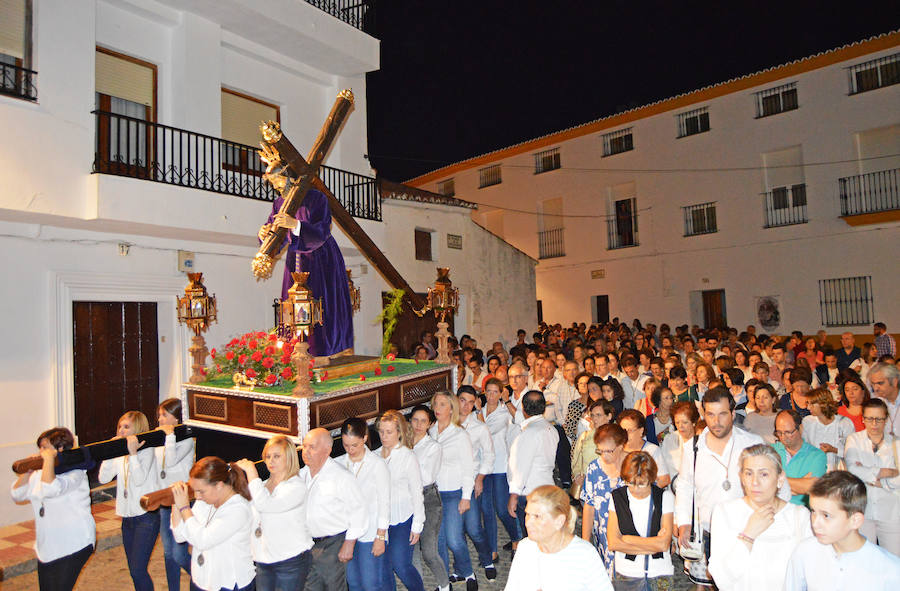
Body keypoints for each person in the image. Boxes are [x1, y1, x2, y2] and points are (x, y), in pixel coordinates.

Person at [675, 388, 790, 565]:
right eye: (711, 415)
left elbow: (780, 484)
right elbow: (685, 486)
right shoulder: (693, 447)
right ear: (703, 415)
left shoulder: (752, 442)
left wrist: (774, 520)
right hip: (707, 530)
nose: (716, 421)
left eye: (722, 414)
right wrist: (683, 522)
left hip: (747, 530)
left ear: (733, 413)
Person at [260, 186, 353, 357]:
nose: (276, 187)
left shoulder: (316, 197)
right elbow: (276, 238)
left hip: (321, 258)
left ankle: (323, 351)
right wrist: (265, 234)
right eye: (273, 184)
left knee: (322, 304)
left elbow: (322, 230)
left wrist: (295, 225)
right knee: (292, 304)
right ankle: (292, 350)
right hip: (295, 258)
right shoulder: (279, 203)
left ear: (289, 178)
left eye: (279, 182)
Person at [708, 444, 811, 591]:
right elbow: (722, 580)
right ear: (742, 478)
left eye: (764, 474)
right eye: (749, 473)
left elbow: (811, 574)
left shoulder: (799, 516)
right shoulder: (725, 512)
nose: (755, 482)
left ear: (780, 479)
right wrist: (749, 535)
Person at [784, 471, 900, 590]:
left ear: (855, 520)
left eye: (826, 515)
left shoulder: (890, 569)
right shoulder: (805, 552)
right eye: (813, 511)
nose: (815, 523)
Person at [10, 428, 95, 591]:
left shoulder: (76, 471)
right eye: (40, 448)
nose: (40, 452)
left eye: (45, 448)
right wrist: (27, 472)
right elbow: (17, 495)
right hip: (48, 546)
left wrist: (48, 461)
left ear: (60, 450)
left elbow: (51, 489)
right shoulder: (40, 473)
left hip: (75, 543)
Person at [235, 436, 311, 591]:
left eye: (277, 456)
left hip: (290, 561)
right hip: (263, 560)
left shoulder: (295, 486)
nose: (271, 461)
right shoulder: (261, 486)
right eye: (268, 457)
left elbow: (265, 505)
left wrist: (251, 472)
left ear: (289, 458)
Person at [505, 485, 613, 591]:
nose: (528, 523)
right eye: (527, 514)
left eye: (537, 516)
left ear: (559, 521)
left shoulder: (584, 554)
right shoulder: (526, 547)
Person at [298, 427, 368, 591]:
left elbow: (359, 510)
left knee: (333, 587)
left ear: (327, 450)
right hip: (307, 544)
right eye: (304, 446)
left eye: (312, 447)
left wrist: (349, 543)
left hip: (332, 544)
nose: (306, 451)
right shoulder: (301, 475)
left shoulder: (341, 476)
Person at [170, 456, 255, 591]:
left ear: (219, 485)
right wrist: (175, 503)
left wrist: (184, 508)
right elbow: (180, 535)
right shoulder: (205, 500)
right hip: (203, 579)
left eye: (201, 491)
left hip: (228, 583)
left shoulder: (238, 509)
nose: (197, 496)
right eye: (195, 490)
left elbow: (203, 540)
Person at [97, 411, 159, 591]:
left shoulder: (147, 450)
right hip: (127, 516)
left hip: (146, 516)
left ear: (138, 429)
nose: (121, 430)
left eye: (126, 427)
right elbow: (103, 478)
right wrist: (110, 452)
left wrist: (132, 454)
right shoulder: (120, 451)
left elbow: (139, 479)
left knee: (138, 570)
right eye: (120, 426)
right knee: (133, 570)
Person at [428, 391, 484, 590]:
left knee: (454, 539)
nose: (437, 409)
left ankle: (468, 573)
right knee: (439, 541)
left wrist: (466, 497)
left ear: (451, 408)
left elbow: (468, 468)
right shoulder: (431, 432)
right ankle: (445, 584)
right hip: (434, 495)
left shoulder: (460, 434)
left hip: (453, 493)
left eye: (443, 404)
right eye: (436, 404)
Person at [337, 418, 392, 591]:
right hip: (348, 531)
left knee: (371, 584)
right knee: (353, 582)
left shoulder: (377, 464)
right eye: (346, 445)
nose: (350, 450)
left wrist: (381, 536)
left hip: (371, 533)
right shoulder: (339, 463)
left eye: (354, 445)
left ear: (365, 438)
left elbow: (385, 502)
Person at [607, 451, 675, 590]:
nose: (635, 489)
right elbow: (613, 543)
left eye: (642, 484)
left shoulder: (665, 497)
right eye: (630, 483)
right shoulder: (617, 497)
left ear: (651, 479)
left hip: (659, 571)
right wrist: (652, 544)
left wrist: (626, 539)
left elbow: (663, 545)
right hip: (627, 572)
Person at [375, 410, 426, 591]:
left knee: (401, 565)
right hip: (381, 521)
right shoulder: (374, 456)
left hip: (402, 518)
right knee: (384, 568)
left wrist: (417, 525)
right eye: (381, 432)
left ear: (399, 432)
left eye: (389, 432)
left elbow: (417, 492)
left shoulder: (407, 456)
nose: (384, 436)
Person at [844, 399, 900, 555]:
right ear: (862, 418)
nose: (874, 424)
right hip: (862, 510)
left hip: (891, 512)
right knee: (863, 559)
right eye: (869, 418)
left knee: (894, 560)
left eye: (879, 419)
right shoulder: (854, 440)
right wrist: (886, 472)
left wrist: (882, 484)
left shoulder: (896, 443)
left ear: (886, 419)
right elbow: (853, 470)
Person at [455, 387, 498, 580]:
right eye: (463, 400)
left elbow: (489, 456)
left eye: (471, 402)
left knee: (473, 527)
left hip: (470, 482)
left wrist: (480, 478)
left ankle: (487, 559)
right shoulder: (445, 424)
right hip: (449, 484)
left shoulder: (479, 428)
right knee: (456, 531)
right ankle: (460, 568)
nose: (466, 406)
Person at [478, 379, 521, 562]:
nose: (491, 395)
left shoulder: (503, 412)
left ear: (501, 393)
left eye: (495, 392)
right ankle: (492, 550)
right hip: (482, 465)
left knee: (502, 509)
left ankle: (516, 538)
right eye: (488, 391)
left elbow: (485, 431)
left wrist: (478, 412)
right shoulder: (477, 412)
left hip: (500, 464)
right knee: (486, 510)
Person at [507, 391, 558, 544]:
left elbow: (521, 467)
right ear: (543, 408)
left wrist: (514, 495)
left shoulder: (529, 433)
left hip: (530, 492)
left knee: (530, 538)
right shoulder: (551, 429)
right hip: (547, 488)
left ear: (523, 409)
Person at [409, 405, 450, 591]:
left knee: (429, 552)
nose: (418, 425)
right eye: (415, 420)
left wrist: (407, 458)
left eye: (423, 421)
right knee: (412, 551)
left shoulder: (433, 447)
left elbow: (426, 477)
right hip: (407, 499)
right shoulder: (402, 443)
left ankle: (444, 585)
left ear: (430, 424)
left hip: (428, 499)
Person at [155, 398, 194, 591]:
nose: (160, 420)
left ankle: (201, 577)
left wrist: (169, 437)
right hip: (165, 499)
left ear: (176, 419)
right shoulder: (161, 439)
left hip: (180, 499)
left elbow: (170, 461)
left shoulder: (185, 440)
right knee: (168, 554)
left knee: (179, 554)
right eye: (159, 415)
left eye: (165, 415)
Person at [580, 423, 627, 576]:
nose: (604, 456)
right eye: (600, 451)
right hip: (603, 534)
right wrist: (586, 540)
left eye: (609, 451)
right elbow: (589, 505)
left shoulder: (634, 466)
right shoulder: (594, 468)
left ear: (621, 446)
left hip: (629, 535)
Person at [772, 409, 827, 506]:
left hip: (801, 515)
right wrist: (799, 484)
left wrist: (775, 481)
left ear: (800, 428)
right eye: (779, 433)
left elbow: (811, 487)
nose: (783, 437)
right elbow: (761, 484)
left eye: (788, 432)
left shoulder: (817, 455)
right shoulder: (771, 451)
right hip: (774, 512)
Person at [571, 399, 615, 499]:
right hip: (587, 484)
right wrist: (577, 475)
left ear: (609, 416)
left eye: (598, 415)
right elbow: (576, 459)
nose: (594, 419)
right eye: (592, 415)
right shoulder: (585, 436)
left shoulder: (616, 436)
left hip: (609, 485)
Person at [803, 387, 855, 471]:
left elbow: (853, 452)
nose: (808, 408)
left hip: (839, 471)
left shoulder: (844, 423)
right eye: (807, 403)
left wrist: (833, 450)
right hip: (816, 469)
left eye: (811, 404)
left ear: (822, 404)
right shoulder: (808, 422)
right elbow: (805, 448)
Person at [618, 410, 670, 488]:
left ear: (641, 431)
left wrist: (645, 490)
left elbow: (664, 479)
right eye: (623, 431)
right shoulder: (616, 449)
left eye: (630, 430)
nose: (626, 434)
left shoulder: (652, 450)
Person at [660, 401, 700, 483]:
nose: (680, 426)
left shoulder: (701, 440)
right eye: (677, 422)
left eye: (685, 422)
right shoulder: (669, 439)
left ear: (693, 422)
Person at [869, 362, 900, 437]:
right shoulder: (876, 405)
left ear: (894, 381)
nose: (875, 388)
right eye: (873, 384)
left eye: (880, 383)